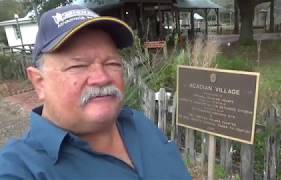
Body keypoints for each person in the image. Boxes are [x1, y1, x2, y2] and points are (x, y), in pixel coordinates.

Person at [0, 5, 191, 180]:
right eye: (78, 65)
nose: (101, 78)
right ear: (39, 83)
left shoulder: (139, 124)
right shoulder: (22, 169)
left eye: (112, 63)